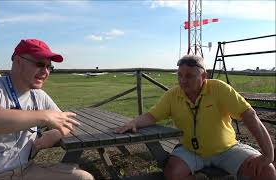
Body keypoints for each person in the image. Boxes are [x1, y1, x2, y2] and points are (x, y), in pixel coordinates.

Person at [115, 55, 276, 180]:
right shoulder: (173, 95)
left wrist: (268, 155)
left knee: (267, 171)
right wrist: (134, 122)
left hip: (227, 149)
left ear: (204, 76)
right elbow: (152, 116)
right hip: (190, 150)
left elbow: (249, 116)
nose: (183, 81)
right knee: (173, 174)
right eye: (180, 75)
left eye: (189, 76)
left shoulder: (219, 88)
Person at [0, 39, 94, 180]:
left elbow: (68, 123)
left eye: (49, 67)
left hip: (24, 170)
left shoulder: (39, 95)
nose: (45, 72)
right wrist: (43, 116)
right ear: (17, 62)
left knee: (83, 177)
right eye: (40, 64)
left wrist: (53, 134)